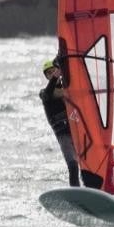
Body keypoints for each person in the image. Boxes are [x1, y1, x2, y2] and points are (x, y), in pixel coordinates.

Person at [39, 58, 80, 187]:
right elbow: (49, 93)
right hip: (63, 135)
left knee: (88, 167)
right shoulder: (44, 93)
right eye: (49, 73)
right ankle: (76, 194)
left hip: (78, 132)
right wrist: (58, 72)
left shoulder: (69, 88)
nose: (52, 74)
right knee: (73, 166)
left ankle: (95, 192)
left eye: (53, 71)